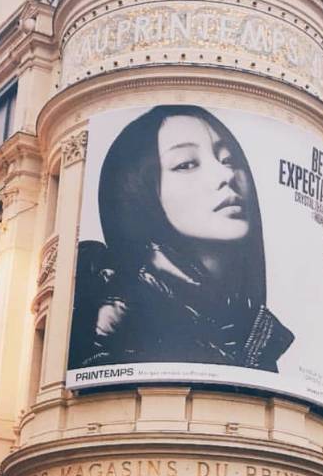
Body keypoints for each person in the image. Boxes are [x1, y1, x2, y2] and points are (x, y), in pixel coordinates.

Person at [69, 105, 294, 372]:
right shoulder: (117, 324)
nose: (226, 176)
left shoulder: (249, 333)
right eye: (186, 164)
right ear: (139, 191)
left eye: (228, 159)